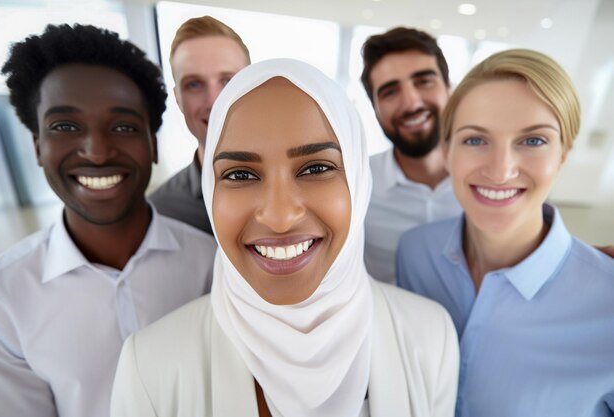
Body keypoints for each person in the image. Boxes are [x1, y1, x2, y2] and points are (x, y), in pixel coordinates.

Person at [111, 58, 458, 417]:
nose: (279, 217)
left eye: (316, 168)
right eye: (241, 175)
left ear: (357, 179)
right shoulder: (150, 367)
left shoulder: (431, 336)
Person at [0, 24, 216, 417]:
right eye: (65, 127)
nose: (96, 152)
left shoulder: (212, 264)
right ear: (38, 146)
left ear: (153, 144)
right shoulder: (2, 299)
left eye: (124, 126)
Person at [396, 49, 614, 417]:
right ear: (447, 151)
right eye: (475, 140)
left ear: (563, 154)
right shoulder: (415, 253)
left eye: (533, 141)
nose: (500, 171)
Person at [360, 27, 462, 284]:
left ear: (450, 89)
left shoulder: (492, 179)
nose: (412, 103)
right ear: (375, 109)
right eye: (390, 91)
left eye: (424, 81)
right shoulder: (356, 185)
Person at [149, 15, 250, 234]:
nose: (214, 101)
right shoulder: (158, 214)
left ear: (253, 87)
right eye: (194, 84)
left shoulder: (303, 185)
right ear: (178, 99)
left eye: (227, 81)